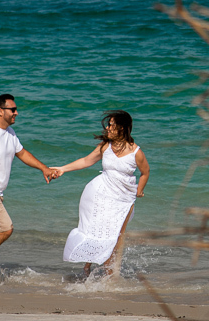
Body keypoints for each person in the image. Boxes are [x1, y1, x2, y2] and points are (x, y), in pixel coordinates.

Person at [0, 93, 60, 284]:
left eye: (15, 109)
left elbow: (22, 153)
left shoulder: (9, 133)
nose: (16, 113)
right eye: (12, 110)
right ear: (0, 111)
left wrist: (44, 168)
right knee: (5, 229)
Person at [57, 110, 150, 277]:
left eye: (111, 125)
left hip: (123, 200)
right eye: (108, 124)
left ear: (122, 128)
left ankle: (110, 273)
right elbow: (86, 161)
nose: (107, 128)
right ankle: (94, 268)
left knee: (115, 237)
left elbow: (145, 172)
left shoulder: (136, 152)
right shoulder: (105, 146)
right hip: (99, 195)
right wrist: (62, 168)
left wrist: (140, 190)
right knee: (95, 230)